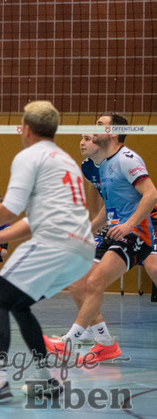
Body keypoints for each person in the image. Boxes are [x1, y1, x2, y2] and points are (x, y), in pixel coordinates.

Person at [0, 101, 94, 404]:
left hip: (54, 244)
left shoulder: (30, 156)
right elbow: (34, 219)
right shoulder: (67, 160)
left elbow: (10, 208)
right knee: (18, 305)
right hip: (80, 250)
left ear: (26, 129)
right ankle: (47, 380)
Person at [43, 113, 157, 363]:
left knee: (95, 282)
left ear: (112, 132)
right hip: (112, 231)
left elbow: (151, 194)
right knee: (76, 281)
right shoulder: (103, 164)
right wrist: (90, 228)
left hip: (136, 233)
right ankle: (105, 342)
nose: (91, 130)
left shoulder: (127, 159)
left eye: (98, 126)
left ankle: (68, 343)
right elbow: (109, 205)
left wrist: (129, 224)